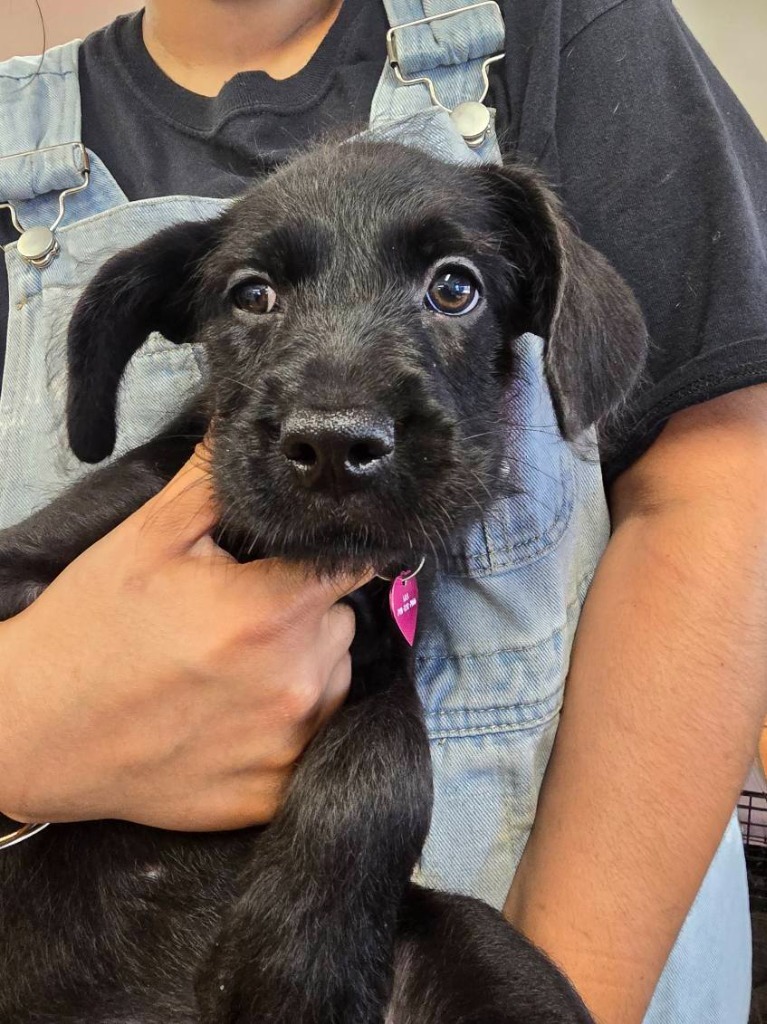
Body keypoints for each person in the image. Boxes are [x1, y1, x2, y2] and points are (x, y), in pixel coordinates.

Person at [0, 1, 765, 1021]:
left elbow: (725, 482)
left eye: (451, 288)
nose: (337, 419)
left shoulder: (564, 27)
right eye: (254, 297)